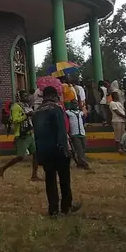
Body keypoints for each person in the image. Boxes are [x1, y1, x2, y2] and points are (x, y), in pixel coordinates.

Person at [33, 86, 81, 217]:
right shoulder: (56, 108)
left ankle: (53, 210)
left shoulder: (36, 112)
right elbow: (61, 130)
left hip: (44, 150)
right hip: (58, 149)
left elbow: (36, 135)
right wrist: (65, 148)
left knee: (50, 180)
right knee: (64, 179)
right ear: (53, 96)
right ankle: (66, 206)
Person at [0, 91, 40, 180]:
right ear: (19, 97)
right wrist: (26, 115)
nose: (27, 97)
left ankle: (34, 175)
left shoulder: (26, 106)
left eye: (27, 96)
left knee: (36, 154)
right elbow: (14, 120)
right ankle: (2, 168)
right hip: (21, 134)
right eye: (25, 96)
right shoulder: (15, 107)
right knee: (20, 157)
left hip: (29, 133)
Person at [65, 101, 91, 171]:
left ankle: (80, 163)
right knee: (79, 149)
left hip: (82, 132)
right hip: (74, 133)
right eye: (73, 103)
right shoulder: (67, 112)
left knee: (83, 147)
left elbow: (83, 121)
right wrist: (68, 132)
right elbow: (66, 123)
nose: (75, 105)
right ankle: (85, 164)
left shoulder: (80, 112)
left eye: (76, 103)